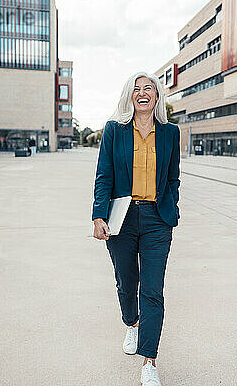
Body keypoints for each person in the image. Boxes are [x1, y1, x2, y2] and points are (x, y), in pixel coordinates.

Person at [92, 72, 181, 386]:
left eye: (149, 88)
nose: (143, 93)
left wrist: (174, 206)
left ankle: (149, 361)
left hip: (158, 219)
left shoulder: (170, 132)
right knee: (127, 283)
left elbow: (173, 177)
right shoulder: (115, 131)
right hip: (122, 219)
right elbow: (104, 175)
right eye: (137, 89)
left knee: (153, 291)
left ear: (157, 96)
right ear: (129, 95)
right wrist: (98, 216)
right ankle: (131, 323)